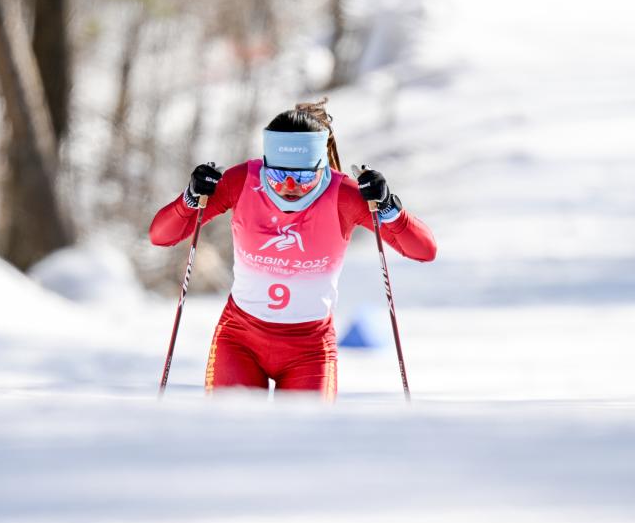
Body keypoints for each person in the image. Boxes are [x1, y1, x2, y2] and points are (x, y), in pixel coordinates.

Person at [149, 107, 436, 399]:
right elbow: (161, 236)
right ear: (264, 165)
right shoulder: (243, 182)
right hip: (239, 341)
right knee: (232, 437)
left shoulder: (343, 196)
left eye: (302, 178)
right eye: (276, 175)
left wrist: (388, 206)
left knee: (302, 441)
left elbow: (424, 250)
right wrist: (190, 198)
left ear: (321, 167)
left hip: (310, 350)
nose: (289, 188)